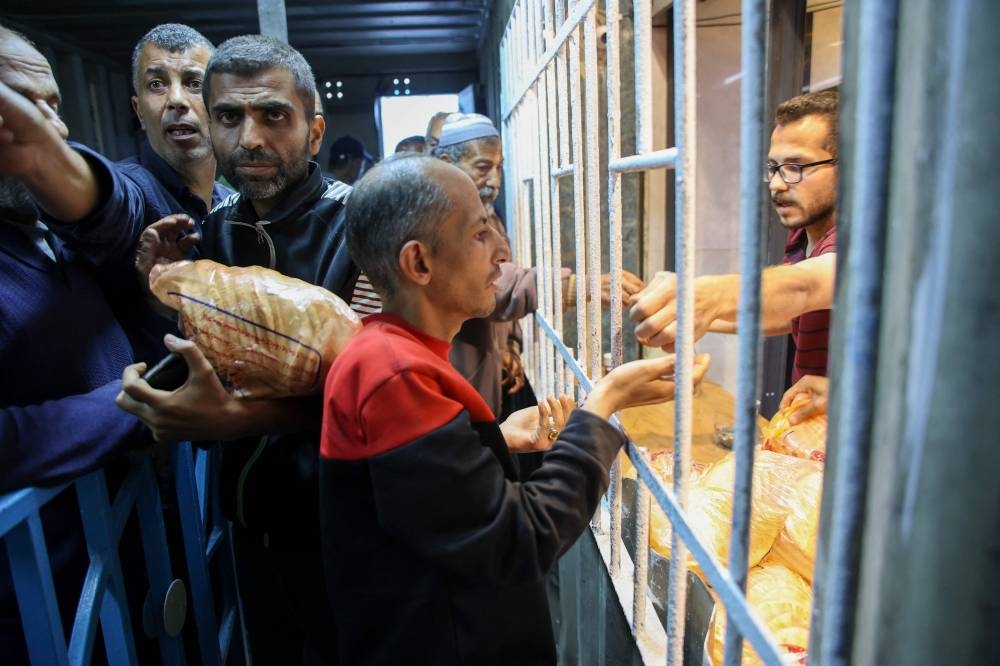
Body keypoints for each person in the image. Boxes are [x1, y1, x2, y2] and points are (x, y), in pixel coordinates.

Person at [319, 155, 712, 664]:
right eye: (481, 234)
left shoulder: (387, 352)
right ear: (419, 263)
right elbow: (518, 540)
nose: (502, 253)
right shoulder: (395, 374)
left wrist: (491, 438)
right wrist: (603, 403)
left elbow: (412, 497)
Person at [116, 35, 354, 665]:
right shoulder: (215, 230)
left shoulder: (361, 225)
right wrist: (163, 293)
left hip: (348, 517)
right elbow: (224, 354)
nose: (249, 138)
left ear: (314, 129)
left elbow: (376, 390)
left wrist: (234, 420)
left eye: (273, 115)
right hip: (250, 515)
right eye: (229, 116)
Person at [0, 25, 150, 661]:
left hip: (117, 564)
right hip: (37, 598)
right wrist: (131, 403)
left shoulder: (48, 229)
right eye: (17, 107)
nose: (44, 127)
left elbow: (123, 215)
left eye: (52, 106)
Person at [0, 23, 231, 362]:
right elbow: (109, 207)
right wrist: (43, 158)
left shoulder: (229, 203)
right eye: (157, 84)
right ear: (138, 110)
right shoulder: (134, 187)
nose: (177, 100)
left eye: (194, 83)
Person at [432, 112, 645, 418]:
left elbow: (499, 277)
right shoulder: (438, 215)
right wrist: (571, 286)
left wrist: (510, 345)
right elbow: (490, 279)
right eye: (482, 167)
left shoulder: (484, 211)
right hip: (454, 371)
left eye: (498, 167)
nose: (494, 180)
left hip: (485, 368)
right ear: (447, 162)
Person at [629, 90, 840, 384]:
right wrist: (691, 312)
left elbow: (804, 288)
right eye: (773, 168)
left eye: (795, 167)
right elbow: (792, 311)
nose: (776, 185)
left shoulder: (863, 244)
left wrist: (710, 294)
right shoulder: (803, 236)